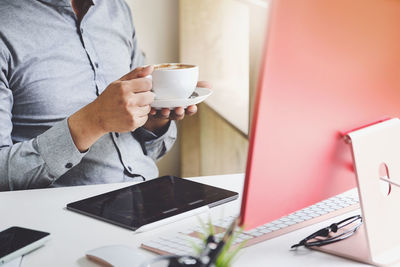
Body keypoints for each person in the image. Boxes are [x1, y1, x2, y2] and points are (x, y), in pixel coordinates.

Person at [0, 0, 206, 191]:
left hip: (150, 195)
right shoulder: (5, 24)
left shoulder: (116, 9)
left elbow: (151, 150)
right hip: (62, 215)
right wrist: (93, 121)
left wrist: (154, 120)